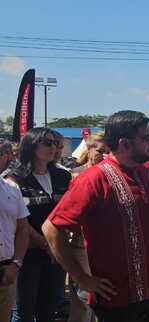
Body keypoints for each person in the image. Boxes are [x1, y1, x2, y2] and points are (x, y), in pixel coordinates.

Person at [42, 110, 149, 322]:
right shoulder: (93, 179)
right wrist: (82, 279)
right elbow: (51, 228)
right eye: (145, 138)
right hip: (117, 298)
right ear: (124, 144)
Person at [8, 128, 72, 322]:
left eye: (55, 143)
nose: (53, 148)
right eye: (47, 143)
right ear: (32, 146)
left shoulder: (63, 176)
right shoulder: (15, 178)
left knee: (49, 308)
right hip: (28, 253)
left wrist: (57, 245)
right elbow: (20, 221)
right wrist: (46, 244)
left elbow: (69, 211)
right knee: (25, 310)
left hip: (56, 254)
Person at [68, 131, 108, 322]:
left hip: (107, 245)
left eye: (106, 150)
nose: (103, 153)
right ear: (89, 149)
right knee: (83, 301)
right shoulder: (75, 175)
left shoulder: (112, 175)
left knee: (105, 297)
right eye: (99, 150)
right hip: (81, 244)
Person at [0, 139, 29, 321]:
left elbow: (22, 229)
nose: (10, 158)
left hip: (5, 271)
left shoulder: (11, 188)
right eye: (6, 154)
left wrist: (15, 264)